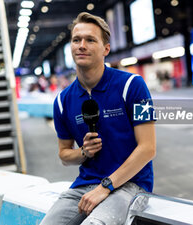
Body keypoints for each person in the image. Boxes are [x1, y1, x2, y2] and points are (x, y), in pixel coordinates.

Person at [40, 12, 156, 225]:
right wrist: (84, 152)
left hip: (132, 184)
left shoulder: (133, 85)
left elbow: (148, 148)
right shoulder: (62, 101)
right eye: (76, 40)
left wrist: (106, 186)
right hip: (85, 185)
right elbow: (64, 156)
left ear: (106, 49)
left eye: (90, 40)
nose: (81, 45)